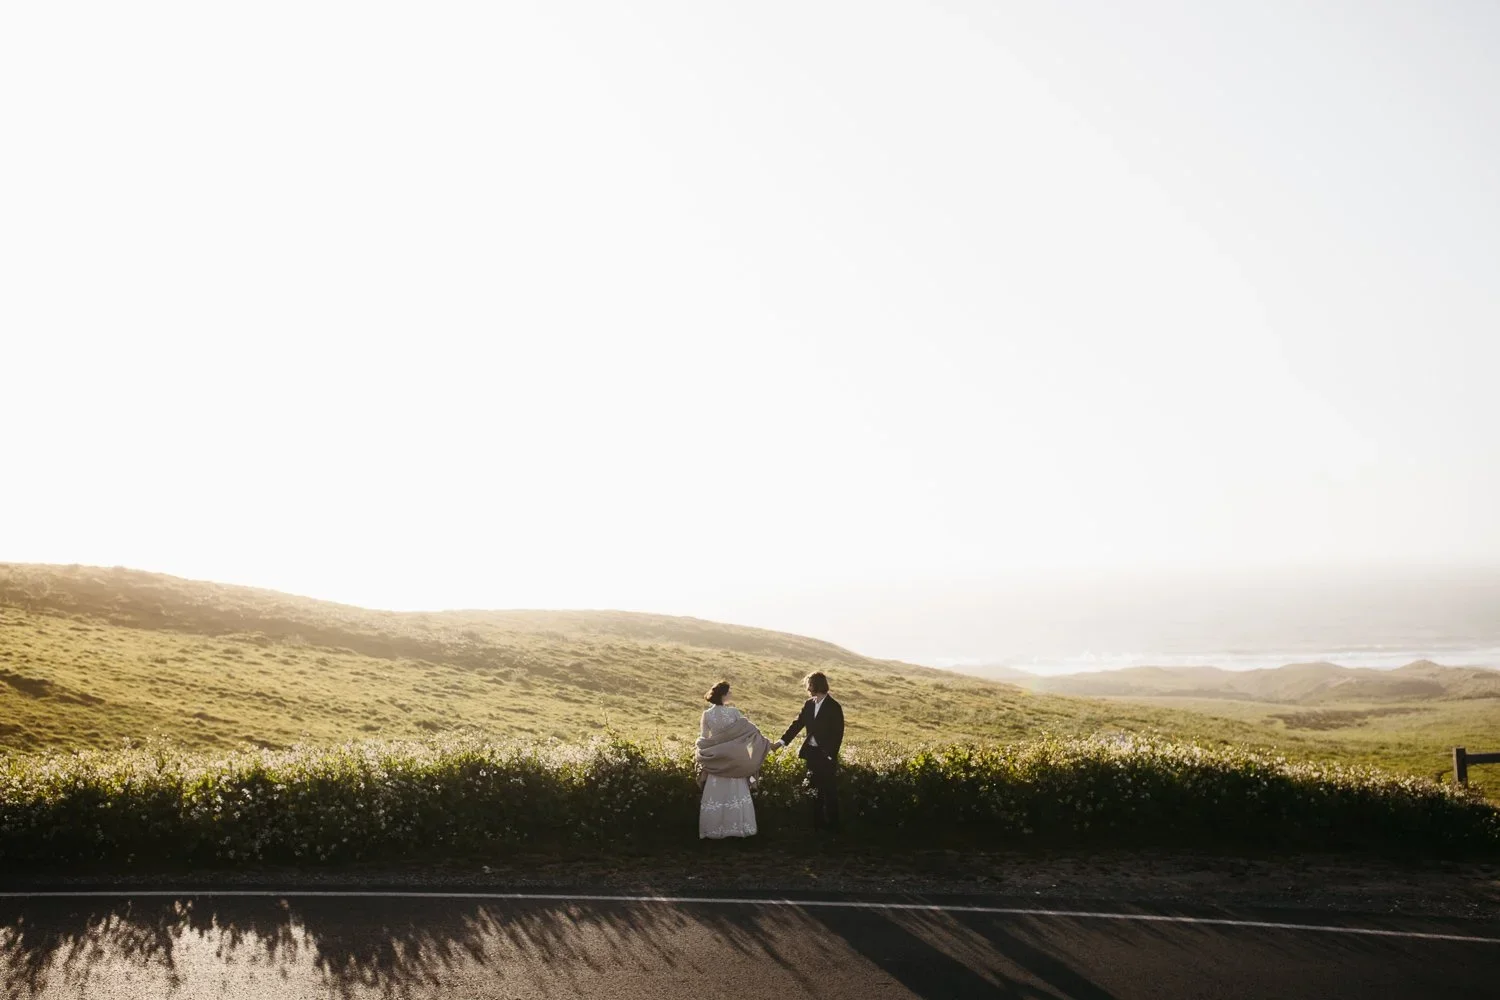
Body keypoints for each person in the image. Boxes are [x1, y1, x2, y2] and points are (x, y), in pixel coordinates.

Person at [695, 680, 771, 839]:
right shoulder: (734, 712)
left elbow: (704, 738)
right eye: (729, 692)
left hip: (717, 759)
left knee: (717, 793)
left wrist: (705, 751)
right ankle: (736, 829)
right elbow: (749, 733)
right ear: (723, 695)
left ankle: (714, 830)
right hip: (734, 760)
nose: (731, 694)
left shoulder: (707, 714)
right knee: (735, 792)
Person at [773, 671, 844, 832]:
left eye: (809, 684)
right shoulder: (809, 704)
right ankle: (817, 825)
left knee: (829, 791)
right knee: (813, 789)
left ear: (817, 685)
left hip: (826, 756)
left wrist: (830, 754)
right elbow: (797, 725)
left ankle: (835, 827)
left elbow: (838, 733)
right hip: (811, 754)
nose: (807, 687)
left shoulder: (834, 706)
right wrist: (781, 742)